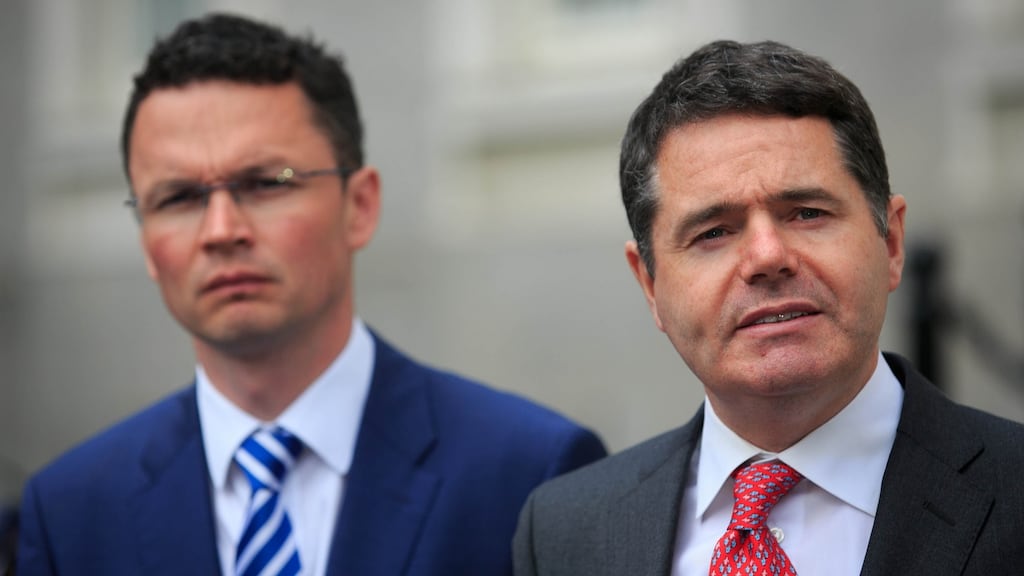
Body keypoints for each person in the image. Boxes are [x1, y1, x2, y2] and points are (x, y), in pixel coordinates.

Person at [17, 13, 606, 576]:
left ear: (360, 206)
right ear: (146, 241)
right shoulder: (70, 513)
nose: (222, 230)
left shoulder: (531, 475)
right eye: (178, 198)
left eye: (266, 184)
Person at [514, 39, 1024, 575]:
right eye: (713, 232)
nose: (767, 256)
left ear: (891, 243)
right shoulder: (564, 533)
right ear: (650, 285)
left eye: (806, 213)